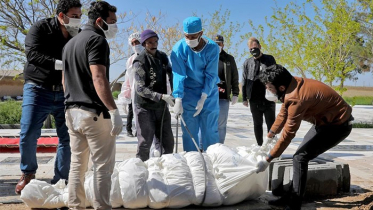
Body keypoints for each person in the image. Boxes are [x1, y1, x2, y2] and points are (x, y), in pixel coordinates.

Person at [256, 64, 354, 210]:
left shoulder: (296, 98)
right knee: (299, 157)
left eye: (269, 87)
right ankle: (289, 197)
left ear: (281, 88)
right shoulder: (292, 84)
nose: (267, 90)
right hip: (324, 122)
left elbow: (288, 135)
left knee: (300, 157)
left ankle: (295, 204)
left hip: (338, 126)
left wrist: (268, 159)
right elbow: (283, 112)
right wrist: (270, 134)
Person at [15, 0, 82, 195]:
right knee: (28, 134)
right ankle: (28, 173)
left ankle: (61, 179)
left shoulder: (76, 34)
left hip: (64, 92)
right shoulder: (40, 28)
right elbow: (33, 55)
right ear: (61, 16)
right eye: (75, 16)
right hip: (37, 89)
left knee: (67, 137)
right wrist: (62, 64)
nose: (78, 20)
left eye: (80, 16)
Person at [62, 1, 121, 209]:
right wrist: (113, 110)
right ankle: (101, 207)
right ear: (99, 21)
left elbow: (64, 81)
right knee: (103, 167)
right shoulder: (97, 40)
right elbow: (99, 77)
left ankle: (75, 206)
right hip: (93, 113)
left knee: (77, 165)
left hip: (71, 112)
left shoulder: (70, 44)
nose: (115, 26)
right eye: (112, 21)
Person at [171, 17, 220, 152]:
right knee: (189, 132)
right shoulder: (178, 49)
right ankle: (193, 161)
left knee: (210, 131)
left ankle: (213, 160)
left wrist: (204, 97)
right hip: (189, 92)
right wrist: (178, 98)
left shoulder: (212, 48)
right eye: (187, 36)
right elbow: (178, 74)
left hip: (209, 93)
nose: (189, 39)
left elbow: (211, 75)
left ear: (201, 33)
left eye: (193, 36)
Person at [133, 29, 175, 161]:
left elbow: (172, 74)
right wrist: (161, 96)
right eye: (150, 42)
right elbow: (140, 88)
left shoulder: (163, 57)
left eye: (155, 41)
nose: (153, 44)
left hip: (161, 107)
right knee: (145, 142)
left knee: (167, 141)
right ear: (144, 44)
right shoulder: (139, 61)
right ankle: (141, 169)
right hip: (145, 106)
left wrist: (175, 93)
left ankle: (166, 168)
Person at [242, 37, 276, 146]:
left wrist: (277, 93)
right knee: (257, 124)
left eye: (255, 48)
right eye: (251, 49)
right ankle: (260, 146)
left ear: (260, 47)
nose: (253, 50)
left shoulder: (269, 59)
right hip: (253, 98)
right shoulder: (247, 62)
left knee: (271, 124)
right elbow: (244, 80)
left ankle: (271, 147)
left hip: (268, 98)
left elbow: (276, 75)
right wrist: (244, 98)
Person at [212, 34, 239, 143]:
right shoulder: (207, 57)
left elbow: (234, 77)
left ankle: (219, 146)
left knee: (221, 125)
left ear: (223, 44)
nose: (218, 46)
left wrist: (235, 93)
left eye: (219, 44)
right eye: (215, 44)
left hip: (223, 97)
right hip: (208, 96)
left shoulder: (229, 59)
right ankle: (202, 147)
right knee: (206, 123)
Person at [118, 32, 144, 137]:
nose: (135, 45)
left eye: (137, 42)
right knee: (134, 114)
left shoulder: (152, 55)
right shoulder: (130, 60)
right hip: (135, 95)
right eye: (132, 43)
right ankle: (132, 131)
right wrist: (125, 97)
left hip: (150, 95)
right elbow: (128, 80)